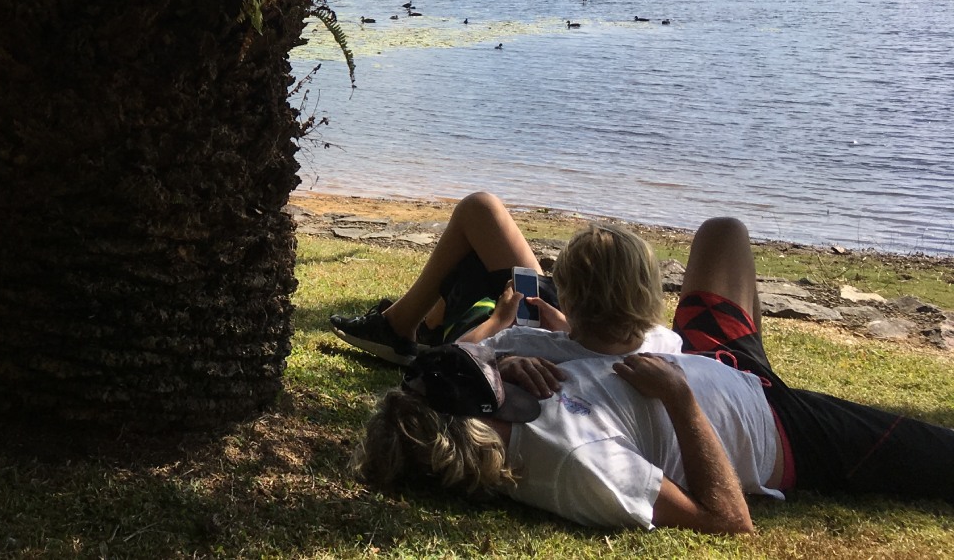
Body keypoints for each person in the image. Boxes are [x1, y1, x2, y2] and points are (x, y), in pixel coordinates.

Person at [355, 214, 954, 533]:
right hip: (782, 428)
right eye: (473, 377)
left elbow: (483, 355)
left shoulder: (517, 394)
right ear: (475, 415)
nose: (480, 368)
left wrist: (512, 355)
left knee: (724, 232)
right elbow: (727, 520)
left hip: (712, 358)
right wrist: (682, 401)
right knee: (937, 456)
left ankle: (746, 358)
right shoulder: (573, 461)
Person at [330, 192, 676, 365]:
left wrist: (499, 321)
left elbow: (454, 360)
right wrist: (570, 328)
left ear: (568, 296)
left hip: (544, 327)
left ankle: (403, 325)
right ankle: (422, 323)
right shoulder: (666, 344)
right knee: (481, 221)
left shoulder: (533, 348)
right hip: (583, 328)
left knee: (479, 211)